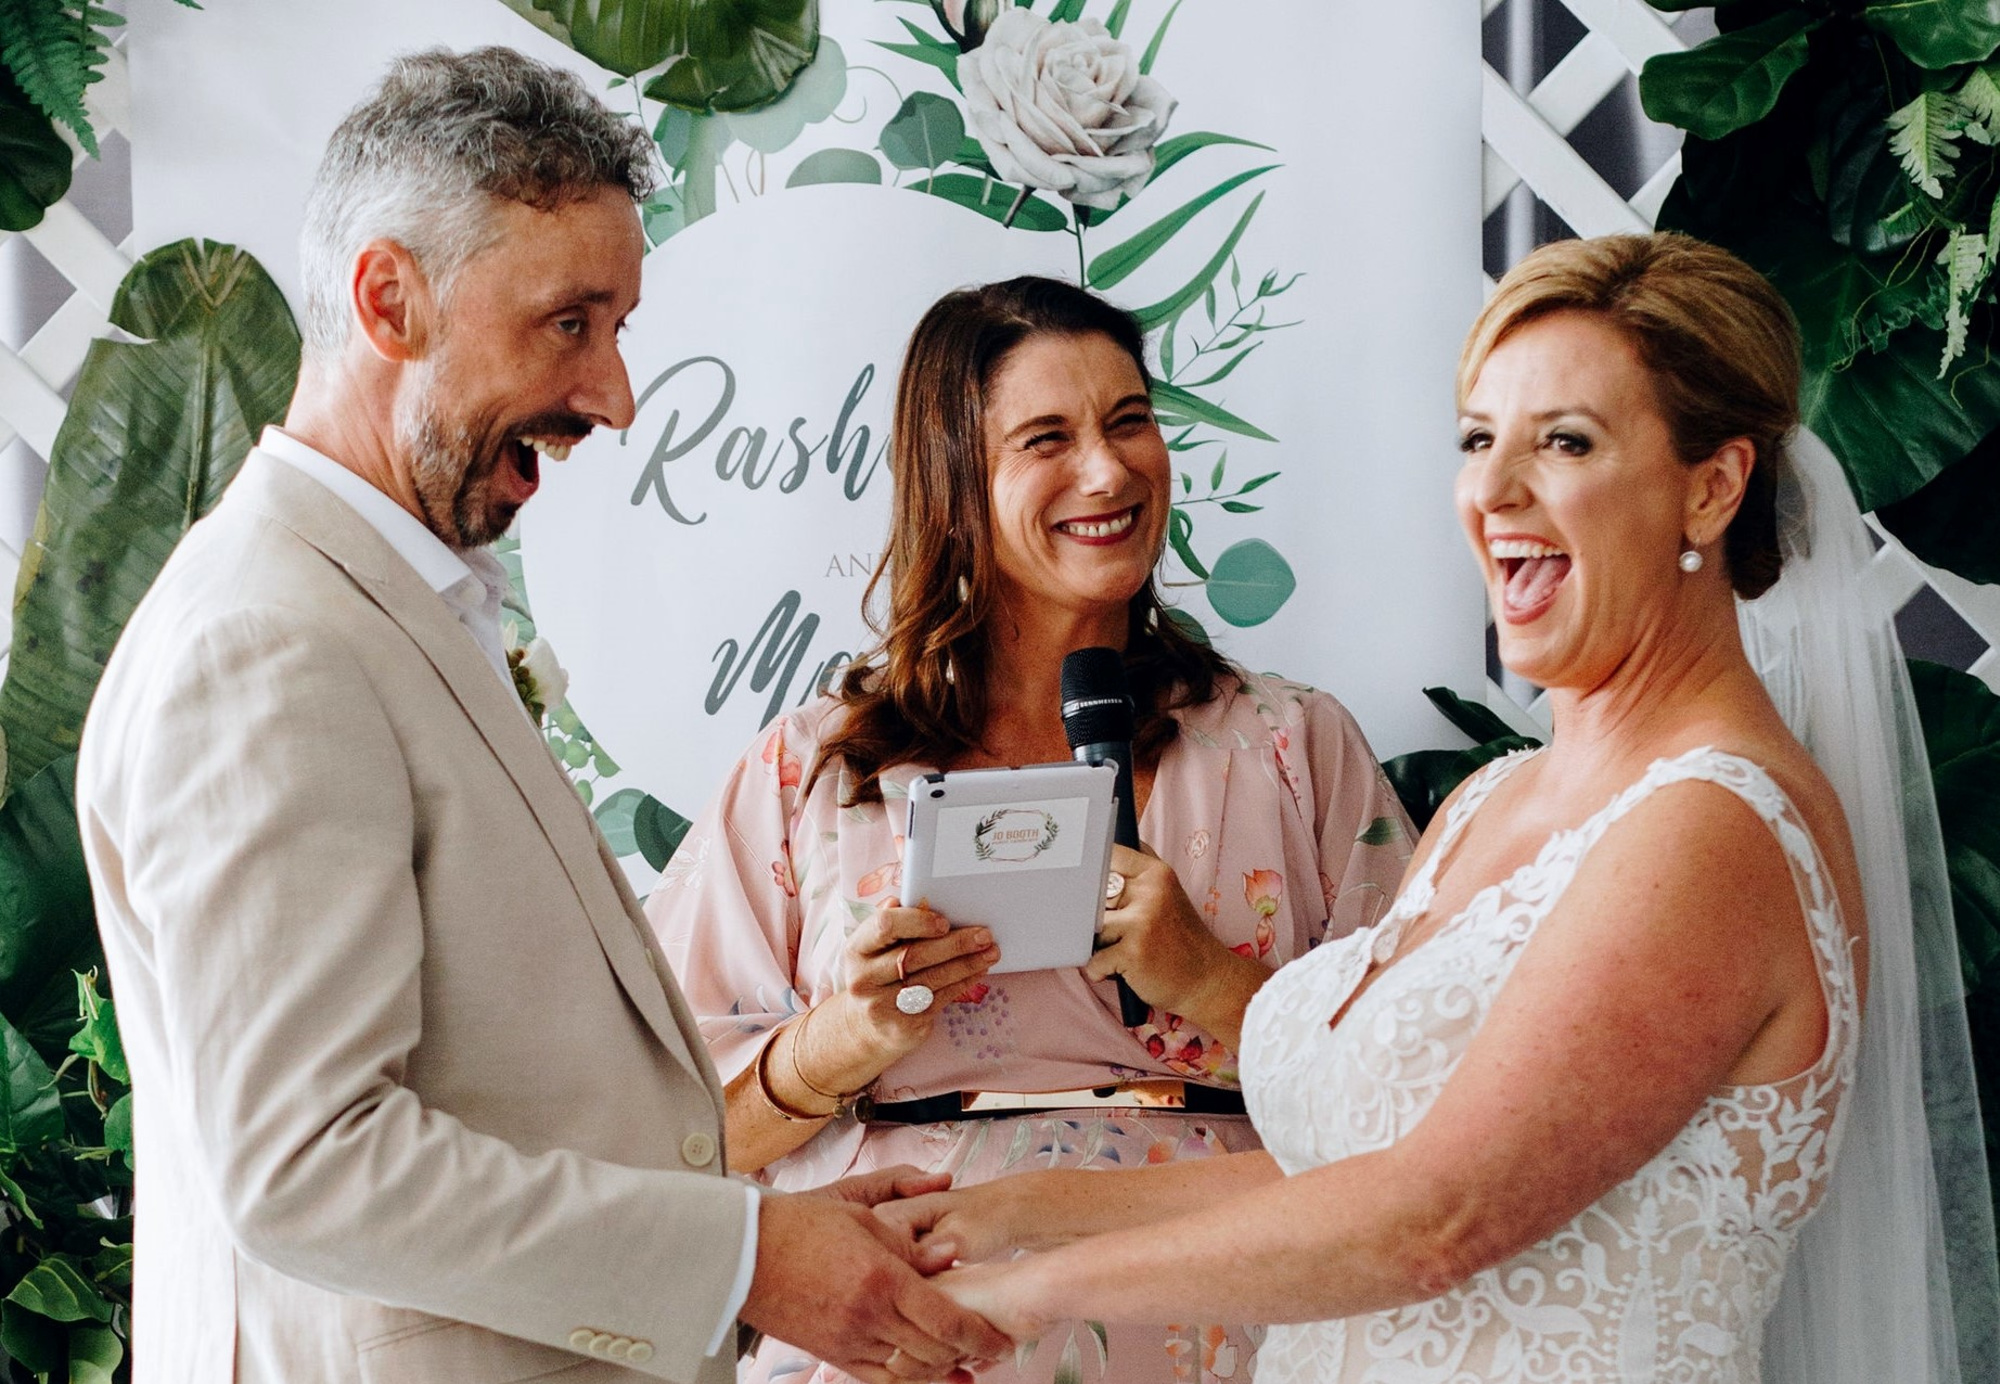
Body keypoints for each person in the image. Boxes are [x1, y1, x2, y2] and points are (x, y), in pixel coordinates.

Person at [877, 233, 2000, 1384]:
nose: (1493, 491)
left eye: (1563, 441)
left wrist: (1019, 1290)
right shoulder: (1486, 802)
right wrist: (1014, 1208)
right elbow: (1353, 1168)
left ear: (1710, 486)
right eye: (1477, 440)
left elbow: (1434, 1217)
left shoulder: (1709, 826)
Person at [76, 48, 1008, 1384]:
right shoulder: (266, 642)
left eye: (618, 330)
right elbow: (305, 1166)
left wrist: (752, 1231)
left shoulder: (373, 605)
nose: (614, 401)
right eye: (570, 323)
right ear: (388, 299)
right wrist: (746, 1263)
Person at [645, 275, 1415, 1384]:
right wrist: (838, 1045)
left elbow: (1418, 1111)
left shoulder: (1291, 746)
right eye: (1046, 438)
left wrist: (1207, 978)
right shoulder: (814, 771)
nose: (1106, 470)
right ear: (956, 484)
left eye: (1129, 422)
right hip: (902, 1325)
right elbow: (659, 1150)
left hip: (1216, 1316)